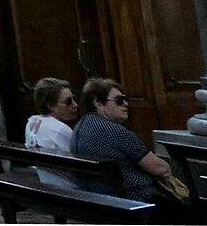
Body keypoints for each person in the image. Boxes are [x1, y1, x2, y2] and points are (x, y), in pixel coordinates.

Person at [71, 78, 180, 208]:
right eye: (119, 100)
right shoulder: (113, 131)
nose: (126, 104)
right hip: (136, 200)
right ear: (98, 103)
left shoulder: (80, 127)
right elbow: (160, 169)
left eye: (125, 99)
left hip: (96, 199)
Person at [24, 77, 83, 189]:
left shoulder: (32, 122)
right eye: (68, 102)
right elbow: (80, 166)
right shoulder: (59, 129)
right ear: (50, 105)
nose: (75, 105)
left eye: (74, 99)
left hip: (46, 183)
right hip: (69, 187)